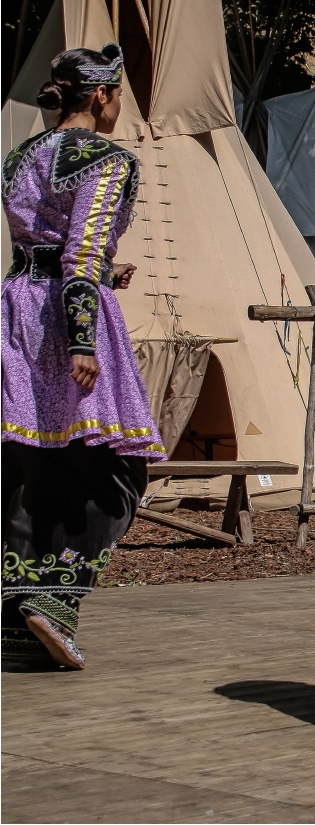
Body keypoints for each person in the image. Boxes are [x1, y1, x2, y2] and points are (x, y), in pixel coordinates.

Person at [2, 44, 165, 670]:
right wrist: (81, 339)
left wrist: (100, 271)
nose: (119, 106)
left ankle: (16, 624)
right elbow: (79, 256)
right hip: (69, 317)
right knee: (113, 469)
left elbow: (43, 247)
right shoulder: (107, 159)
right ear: (100, 95)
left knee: (27, 463)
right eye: (119, 95)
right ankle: (56, 598)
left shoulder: (21, 155)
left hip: (17, 306)